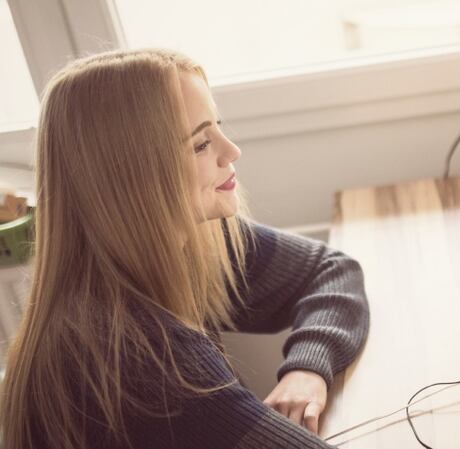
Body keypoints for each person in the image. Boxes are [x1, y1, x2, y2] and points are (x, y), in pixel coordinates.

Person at [0, 49, 369, 449]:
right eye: (200, 144)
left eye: (218, 128)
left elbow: (331, 268)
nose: (231, 151)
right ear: (134, 174)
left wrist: (308, 368)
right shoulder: (141, 361)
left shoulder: (189, 245)